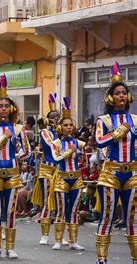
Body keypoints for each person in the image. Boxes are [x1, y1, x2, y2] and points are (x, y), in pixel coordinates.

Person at [0, 74, 31, 259]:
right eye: (0, 106)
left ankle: (10, 247)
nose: (4, 108)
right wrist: (4, 138)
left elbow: (28, 151)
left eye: (6, 106)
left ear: (11, 108)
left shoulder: (18, 129)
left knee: (10, 211)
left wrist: (16, 157)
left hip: (12, 173)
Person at [94, 62, 137, 264]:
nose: (121, 95)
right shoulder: (104, 120)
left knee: (131, 219)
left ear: (128, 97)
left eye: (124, 92)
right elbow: (100, 141)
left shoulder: (135, 119)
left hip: (133, 173)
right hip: (110, 173)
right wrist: (119, 132)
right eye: (117, 92)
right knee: (108, 217)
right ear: (111, 97)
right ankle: (102, 259)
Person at [48, 97, 86, 251]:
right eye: (65, 125)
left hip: (76, 178)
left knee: (74, 210)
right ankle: (58, 240)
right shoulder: (56, 143)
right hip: (62, 179)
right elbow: (56, 159)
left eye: (71, 125)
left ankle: (73, 241)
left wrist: (80, 157)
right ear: (60, 127)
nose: (69, 127)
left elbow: (85, 161)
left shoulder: (79, 143)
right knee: (61, 210)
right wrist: (68, 153)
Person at [31, 93, 61, 245]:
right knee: (47, 201)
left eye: (58, 116)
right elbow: (52, 146)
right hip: (47, 170)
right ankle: (45, 234)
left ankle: (64, 236)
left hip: (61, 170)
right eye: (53, 117)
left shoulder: (64, 132)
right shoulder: (45, 132)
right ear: (48, 119)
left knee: (63, 203)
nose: (55, 119)